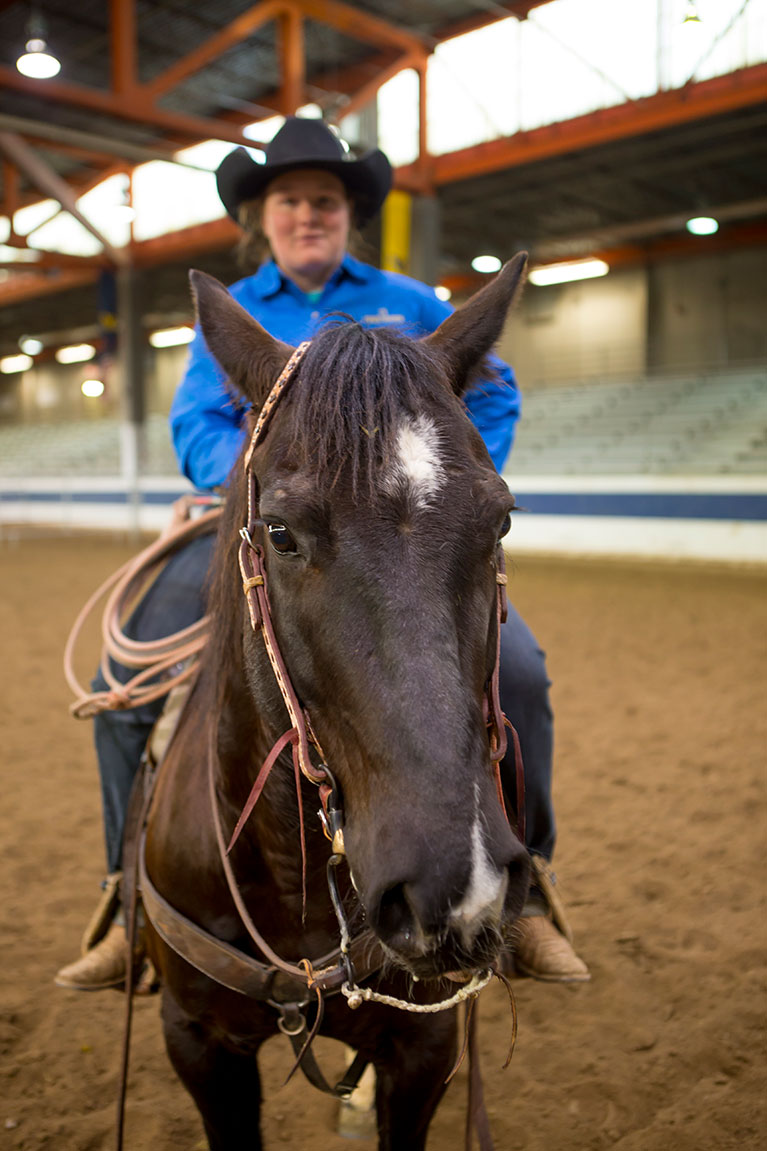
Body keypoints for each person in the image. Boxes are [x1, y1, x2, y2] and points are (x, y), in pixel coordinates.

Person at [55, 117, 588, 991]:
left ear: (349, 215)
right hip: (267, 530)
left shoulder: (413, 304)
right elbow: (195, 418)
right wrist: (269, 490)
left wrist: (450, 479)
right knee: (124, 682)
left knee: (520, 675)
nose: (309, 214)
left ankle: (527, 895)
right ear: (262, 217)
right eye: (291, 200)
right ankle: (125, 899)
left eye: (326, 201)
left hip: (405, 540)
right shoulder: (235, 315)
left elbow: (491, 393)